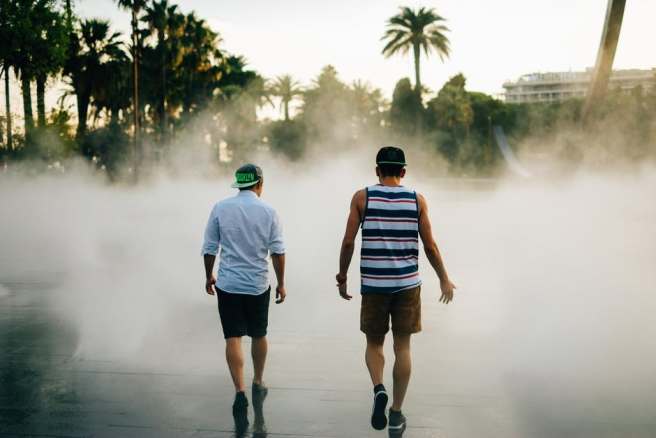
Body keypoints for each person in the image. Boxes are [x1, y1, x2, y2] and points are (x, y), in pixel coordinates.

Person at [335, 147, 456, 435]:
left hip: (374, 285)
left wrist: (342, 276)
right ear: (403, 172)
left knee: (374, 344)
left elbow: (349, 242)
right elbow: (429, 245)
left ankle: (379, 388)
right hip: (407, 285)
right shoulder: (417, 200)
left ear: (377, 170)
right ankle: (396, 413)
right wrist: (444, 278)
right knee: (403, 347)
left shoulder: (362, 197)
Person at [201, 163, 286, 432]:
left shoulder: (220, 207)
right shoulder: (269, 211)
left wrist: (208, 275)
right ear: (260, 184)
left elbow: (209, 247)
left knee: (233, 336)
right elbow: (278, 251)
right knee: (259, 333)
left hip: (228, 283)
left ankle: (239, 390)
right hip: (258, 284)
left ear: (238, 184)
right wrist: (281, 283)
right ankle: (258, 381)